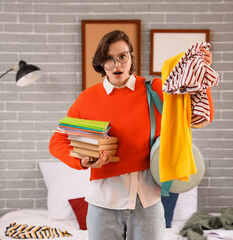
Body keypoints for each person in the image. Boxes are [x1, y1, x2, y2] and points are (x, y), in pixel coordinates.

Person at [49, 30, 212, 240]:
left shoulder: (155, 89)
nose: (117, 65)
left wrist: (202, 73)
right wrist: (82, 161)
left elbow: (198, 117)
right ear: (101, 63)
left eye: (122, 57)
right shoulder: (88, 98)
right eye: (109, 58)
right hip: (103, 207)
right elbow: (58, 140)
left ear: (131, 58)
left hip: (148, 205)